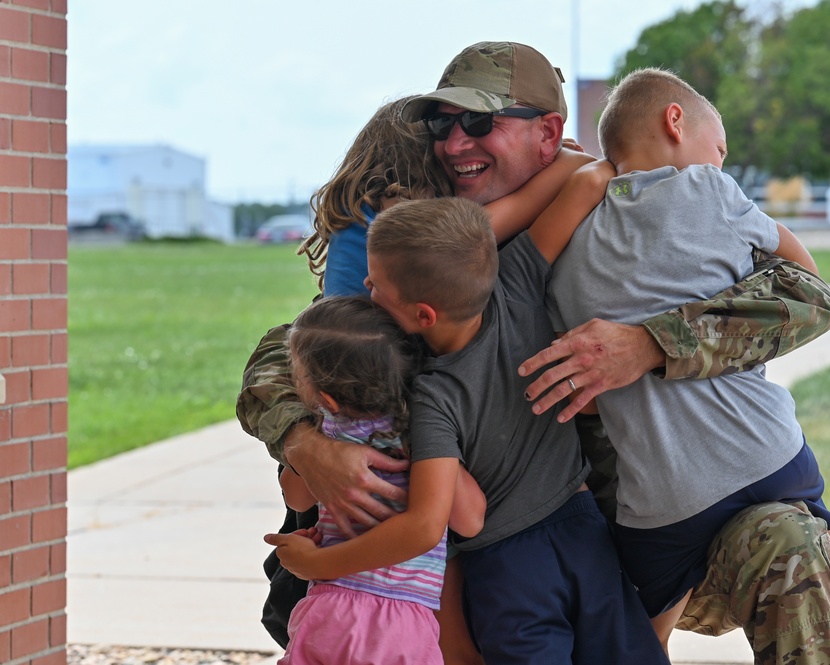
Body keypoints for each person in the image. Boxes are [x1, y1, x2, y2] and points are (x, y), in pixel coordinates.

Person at [240, 41, 830, 664]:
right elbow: (285, 352)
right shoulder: (432, 251)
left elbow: (804, 296)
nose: (454, 144)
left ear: (549, 134)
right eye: (443, 125)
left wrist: (651, 343)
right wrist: (308, 445)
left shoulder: (615, 211)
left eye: (481, 123)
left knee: (791, 538)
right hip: (445, 571)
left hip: (633, 535)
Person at [543, 67, 830, 665]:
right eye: (721, 147)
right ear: (675, 121)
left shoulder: (569, 243)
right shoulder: (709, 191)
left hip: (653, 507)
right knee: (817, 520)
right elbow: (809, 285)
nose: (720, 161)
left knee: (646, 626)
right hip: (761, 453)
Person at [247, 90, 591, 660]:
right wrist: (558, 171)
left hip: (375, 501)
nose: (458, 145)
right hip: (414, 455)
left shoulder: (367, 232)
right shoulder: (405, 237)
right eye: (445, 135)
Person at [271, 196, 670, 664]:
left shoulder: (431, 398)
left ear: (424, 316)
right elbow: (581, 180)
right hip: (580, 523)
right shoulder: (515, 283)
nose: (365, 287)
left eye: (376, 285)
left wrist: (317, 564)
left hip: (507, 562)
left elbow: (435, 522)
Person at [274, 295, 486, 664]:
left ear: (326, 399)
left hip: (335, 609)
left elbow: (297, 498)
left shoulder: (327, 437)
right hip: (408, 622)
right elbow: (470, 520)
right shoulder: (425, 437)